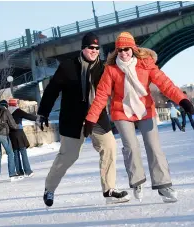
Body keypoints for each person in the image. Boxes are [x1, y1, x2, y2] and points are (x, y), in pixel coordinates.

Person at [83, 31, 194, 203]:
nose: (123, 53)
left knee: (153, 146)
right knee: (131, 147)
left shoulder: (146, 64)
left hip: (144, 110)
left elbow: (165, 84)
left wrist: (182, 100)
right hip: (122, 112)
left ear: (133, 49)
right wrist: (91, 119)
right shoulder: (111, 71)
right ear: (116, 52)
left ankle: (163, 185)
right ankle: (137, 181)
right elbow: (101, 97)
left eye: (127, 49)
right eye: (119, 50)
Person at [37, 32, 129, 207]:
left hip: (96, 118)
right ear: (83, 48)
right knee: (68, 156)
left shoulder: (103, 69)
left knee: (109, 146)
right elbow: (52, 91)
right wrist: (43, 112)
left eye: (97, 48)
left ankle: (109, 189)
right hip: (72, 119)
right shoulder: (67, 67)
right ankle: (49, 188)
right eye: (90, 47)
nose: (94, 51)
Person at [0, 100, 22, 182]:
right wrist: (17, 127)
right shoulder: (5, 111)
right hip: (3, 135)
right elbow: (12, 123)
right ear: (6, 105)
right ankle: (12, 174)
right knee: (10, 153)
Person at [7, 98, 38, 178]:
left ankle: (19, 172)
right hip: (19, 133)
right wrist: (37, 118)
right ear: (15, 104)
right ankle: (28, 171)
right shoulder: (17, 111)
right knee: (23, 152)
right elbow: (28, 116)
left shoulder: (6, 112)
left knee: (16, 153)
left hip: (11, 134)